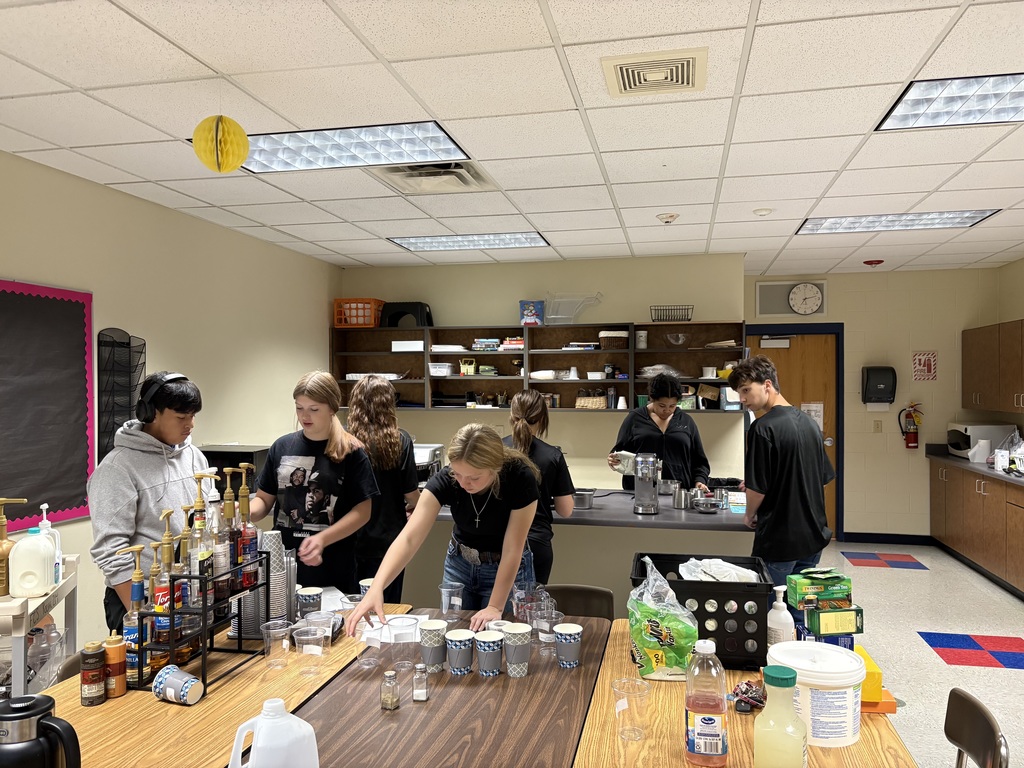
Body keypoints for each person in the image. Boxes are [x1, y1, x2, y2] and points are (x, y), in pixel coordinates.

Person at [347, 423, 539, 633]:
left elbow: (513, 548)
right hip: (460, 565)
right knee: (454, 636)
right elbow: (409, 537)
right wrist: (377, 587)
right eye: (458, 474)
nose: (465, 483)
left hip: (506, 567)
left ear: (496, 467)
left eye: (474, 477)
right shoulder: (447, 478)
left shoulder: (520, 478)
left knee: (501, 642)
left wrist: (494, 606)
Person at [89, 371, 212, 633]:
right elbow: (111, 549)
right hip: (140, 599)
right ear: (151, 413)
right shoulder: (116, 468)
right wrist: (141, 614)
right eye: (181, 417)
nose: (190, 425)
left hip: (189, 593)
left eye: (193, 416)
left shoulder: (194, 457)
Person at [249, 371, 378, 594]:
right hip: (283, 565)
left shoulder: (351, 451)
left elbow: (363, 511)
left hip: (334, 566)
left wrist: (322, 539)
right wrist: (237, 513)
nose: (304, 416)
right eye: (299, 407)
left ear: (332, 408)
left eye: (314, 409)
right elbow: (263, 500)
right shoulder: (282, 447)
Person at [727, 355, 836, 588]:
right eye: (739, 393)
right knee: (798, 609)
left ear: (767, 385)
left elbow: (758, 490)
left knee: (769, 610)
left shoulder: (762, 428)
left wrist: (749, 514)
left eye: (746, 390)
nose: (743, 399)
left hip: (780, 539)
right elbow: (821, 479)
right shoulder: (810, 424)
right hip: (813, 535)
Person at [346, 375, 420, 603]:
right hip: (390, 541)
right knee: (388, 609)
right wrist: (416, 505)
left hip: (351, 539)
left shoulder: (344, 441)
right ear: (389, 404)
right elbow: (411, 495)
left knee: (352, 610)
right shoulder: (400, 440)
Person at [503, 389, 575, 585]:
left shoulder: (493, 451)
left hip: (497, 543)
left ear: (511, 415)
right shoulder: (553, 456)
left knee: (495, 611)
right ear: (543, 418)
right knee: (530, 612)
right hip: (535, 544)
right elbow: (566, 510)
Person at [607, 373, 710, 492]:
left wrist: (700, 481)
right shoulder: (634, 419)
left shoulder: (686, 421)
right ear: (652, 399)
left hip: (679, 494)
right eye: (662, 405)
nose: (667, 410)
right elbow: (619, 453)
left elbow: (700, 462)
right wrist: (613, 460)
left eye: (672, 405)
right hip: (639, 492)